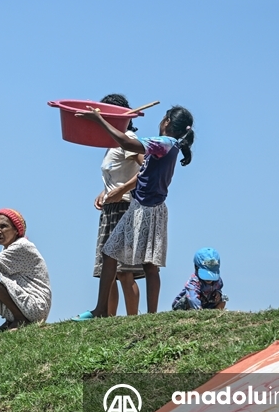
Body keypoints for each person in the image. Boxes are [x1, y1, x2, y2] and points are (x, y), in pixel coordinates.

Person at [74, 105, 195, 319]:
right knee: (133, 260)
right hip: (148, 207)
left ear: (166, 122)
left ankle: (122, 312)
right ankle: (118, 311)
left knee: (128, 259)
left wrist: (100, 120)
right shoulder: (172, 146)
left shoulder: (163, 143)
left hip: (145, 209)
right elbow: (144, 174)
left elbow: (127, 142)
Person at [94, 94, 145, 316]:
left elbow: (146, 170)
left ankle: (132, 319)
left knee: (125, 270)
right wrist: (105, 191)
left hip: (124, 208)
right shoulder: (111, 143)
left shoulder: (128, 138)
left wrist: (122, 190)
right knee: (109, 272)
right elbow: (119, 175)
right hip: (110, 209)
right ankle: (108, 318)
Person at [0, 208, 52, 330]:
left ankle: (20, 320)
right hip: (25, 304)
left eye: (3, 226)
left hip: (36, 307)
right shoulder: (8, 249)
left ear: (16, 230)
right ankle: (12, 319)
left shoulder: (21, 246)